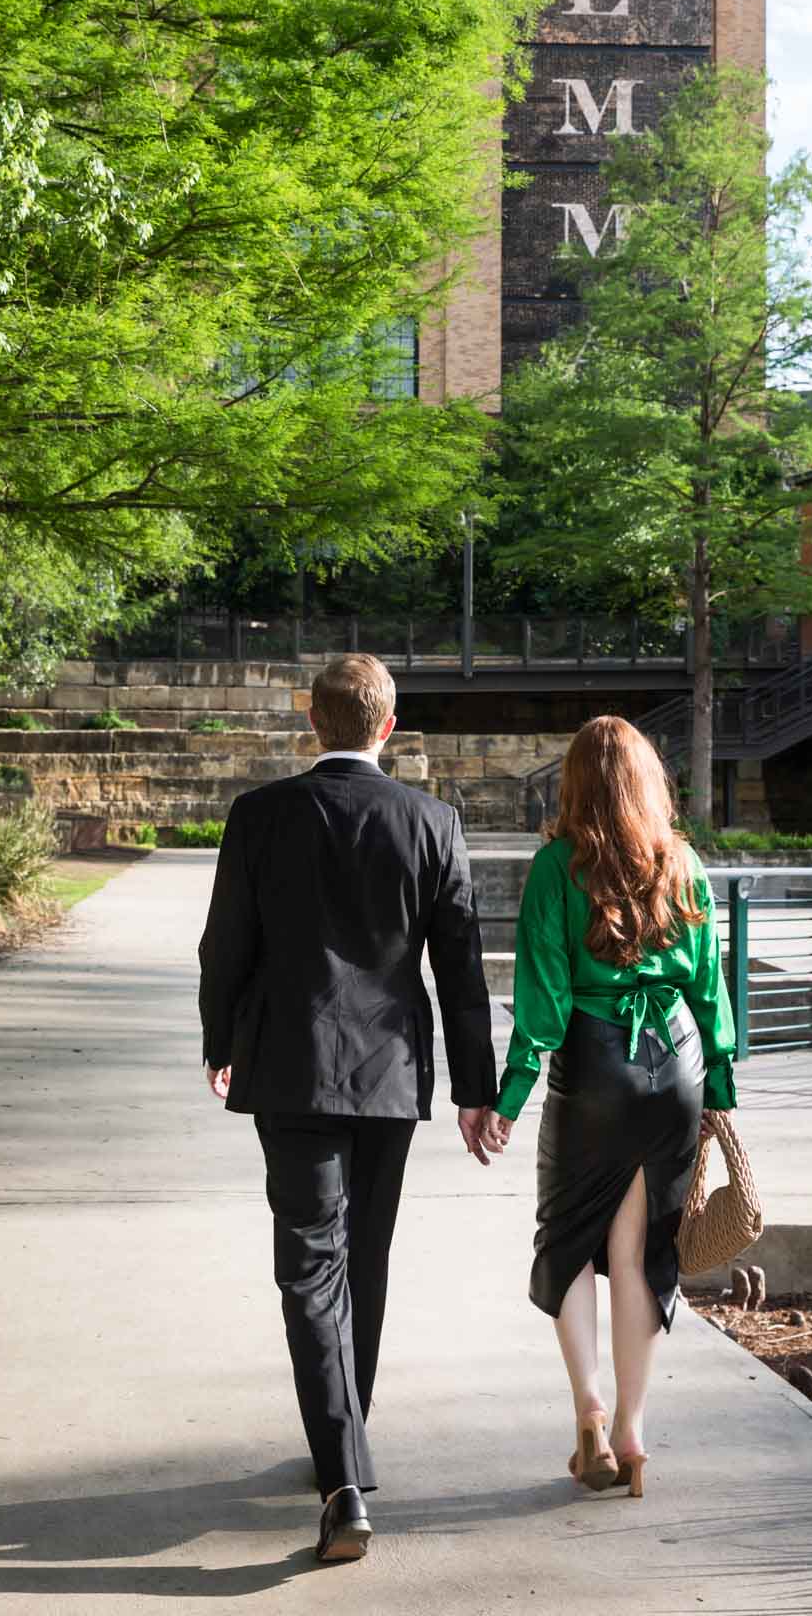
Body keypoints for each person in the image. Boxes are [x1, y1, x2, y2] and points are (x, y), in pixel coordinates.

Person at [198, 653, 496, 1564]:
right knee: (362, 1259)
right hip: (390, 1077)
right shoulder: (432, 821)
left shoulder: (260, 817)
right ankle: (346, 1446)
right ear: (388, 728)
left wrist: (220, 1043)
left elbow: (225, 947)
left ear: (313, 722)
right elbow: (461, 968)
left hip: (290, 1071)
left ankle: (341, 1474)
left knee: (309, 1268)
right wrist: (476, 1090)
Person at [480, 715, 737, 1497]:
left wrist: (511, 1095)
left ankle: (588, 1410)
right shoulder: (682, 862)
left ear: (576, 783)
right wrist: (717, 1093)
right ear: (648, 782)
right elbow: (710, 991)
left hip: (594, 1068)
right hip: (677, 1068)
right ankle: (631, 1428)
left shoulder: (558, 865)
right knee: (639, 1258)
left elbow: (545, 1000)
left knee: (568, 1246)